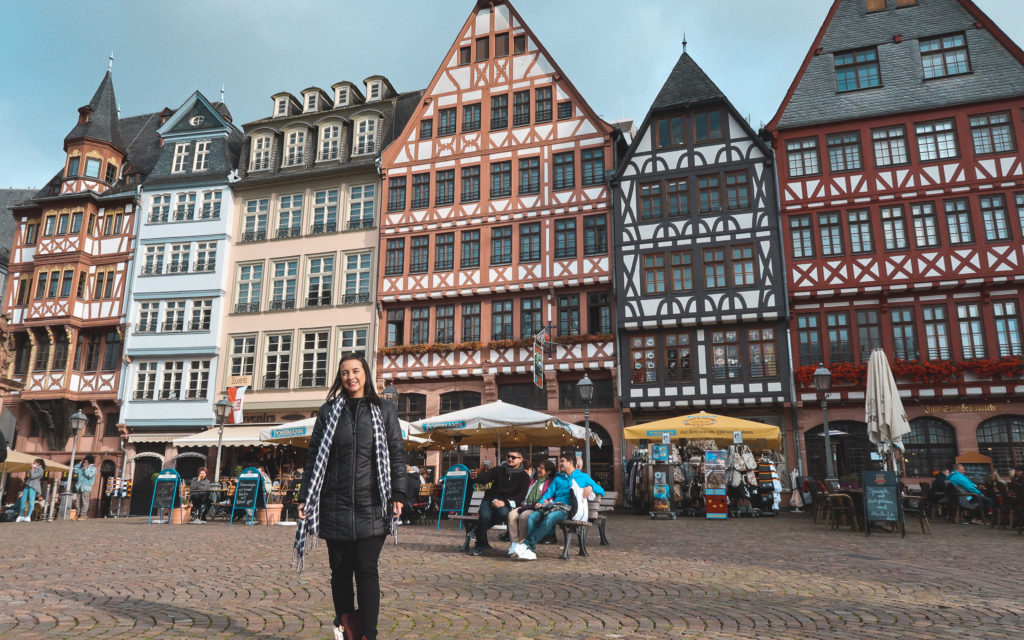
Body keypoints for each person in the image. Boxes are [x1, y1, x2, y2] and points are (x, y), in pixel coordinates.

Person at [295, 353, 406, 640]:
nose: (350, 377)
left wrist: (399, 493)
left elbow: (395, 453)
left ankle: (368, 634)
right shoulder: (328, 411)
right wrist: (305, 496)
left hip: (373, 503)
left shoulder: (383, 409)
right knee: (341, 572)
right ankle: (347, 629)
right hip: (335, 503)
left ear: (365, 373)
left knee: (367, 569)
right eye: (345, 373)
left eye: (355, 371)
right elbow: (314, 458)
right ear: (340, 378)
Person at [515, 450, 604, 561]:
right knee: (532, 517)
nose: (560, 463)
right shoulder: (558, 478)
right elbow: (549, 493)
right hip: (554, 507)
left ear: (570, 462)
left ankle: (527, 544)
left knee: (550, 518)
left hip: (568, 510)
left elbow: (601, 490)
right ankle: (531, 550)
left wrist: (590, 487)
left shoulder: (582, 477)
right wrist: (541, 502)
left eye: (562, 461)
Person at [467, 448, 530, 556]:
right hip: (489, 499)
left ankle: (477, 530)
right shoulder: (499, 470)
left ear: (521, 459)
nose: (510, 459)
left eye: (513, 457)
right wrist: (475, 477)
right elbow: (485, 478)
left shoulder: (524, 476)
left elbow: (520, 496)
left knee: (503, 513)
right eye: (508, 457)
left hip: (506, 503)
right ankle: (479, 545)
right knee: (485, 516)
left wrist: (504, 502)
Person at [506, 459, 555, 555]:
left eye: (542, 468)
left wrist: (547, 501)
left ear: (548, 472)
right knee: (511, 515)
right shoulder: (533, 481)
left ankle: (521, 543)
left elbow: (550, 496)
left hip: (535, 508)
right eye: (538, 467)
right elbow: (525, 494)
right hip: (524, 505)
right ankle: (514, 543)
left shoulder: (550, 483)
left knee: (524, 516)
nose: (538, 469)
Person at [73, 455, 97, 519]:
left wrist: (86, 469)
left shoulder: (93, 468)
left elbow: (89, 475)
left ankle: (83, 515)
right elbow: (74, 470)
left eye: (86, 461)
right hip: (79, 487)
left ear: (89, 461)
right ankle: (77, 514)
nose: (84, 462)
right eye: (84, 461)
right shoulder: (81, 467)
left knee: (84, 502)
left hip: (86, 487)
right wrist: (80, 463)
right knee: (78, 502)